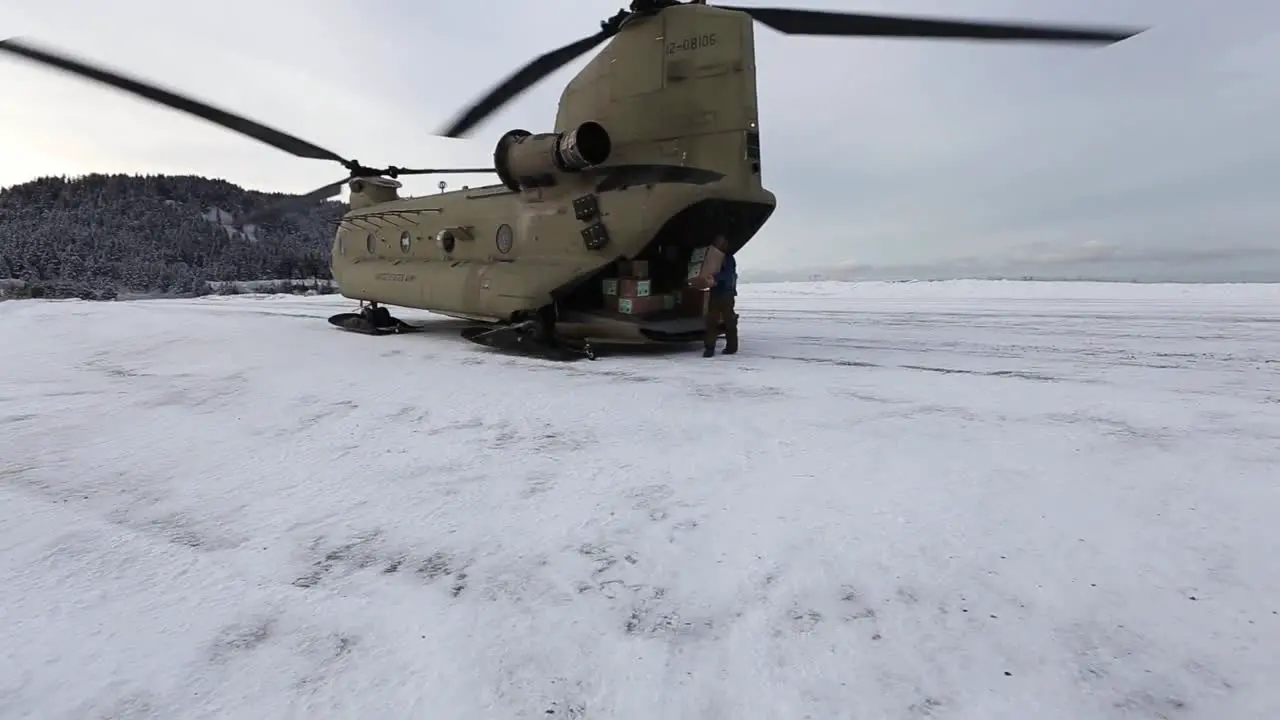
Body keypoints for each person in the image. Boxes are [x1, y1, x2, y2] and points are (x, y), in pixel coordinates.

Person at [702, 236, 738, 357]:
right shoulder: (715, 258)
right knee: (712, 321)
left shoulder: (728, 259)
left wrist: (715, 278)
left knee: (728, 321)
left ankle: (731, 347)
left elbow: (728, 274)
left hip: (726, 294)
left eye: (719, 243)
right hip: (716, 293)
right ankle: (710, 348)